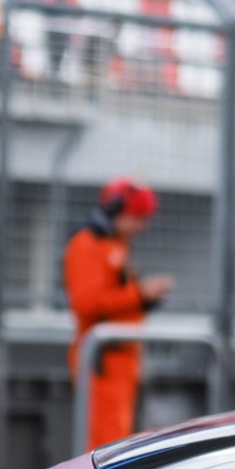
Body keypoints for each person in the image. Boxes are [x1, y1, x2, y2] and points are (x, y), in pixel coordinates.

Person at [63, 180, 169, 446]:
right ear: (117, 210)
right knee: (104, 445)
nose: (141, 226)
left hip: (121, 360)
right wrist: (140, 295)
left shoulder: (116, 245)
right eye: (137, 218)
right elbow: (86, 303)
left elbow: (116, 299)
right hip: (103, 362)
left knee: (118, 440)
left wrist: (143, 300)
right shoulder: (87, 245)